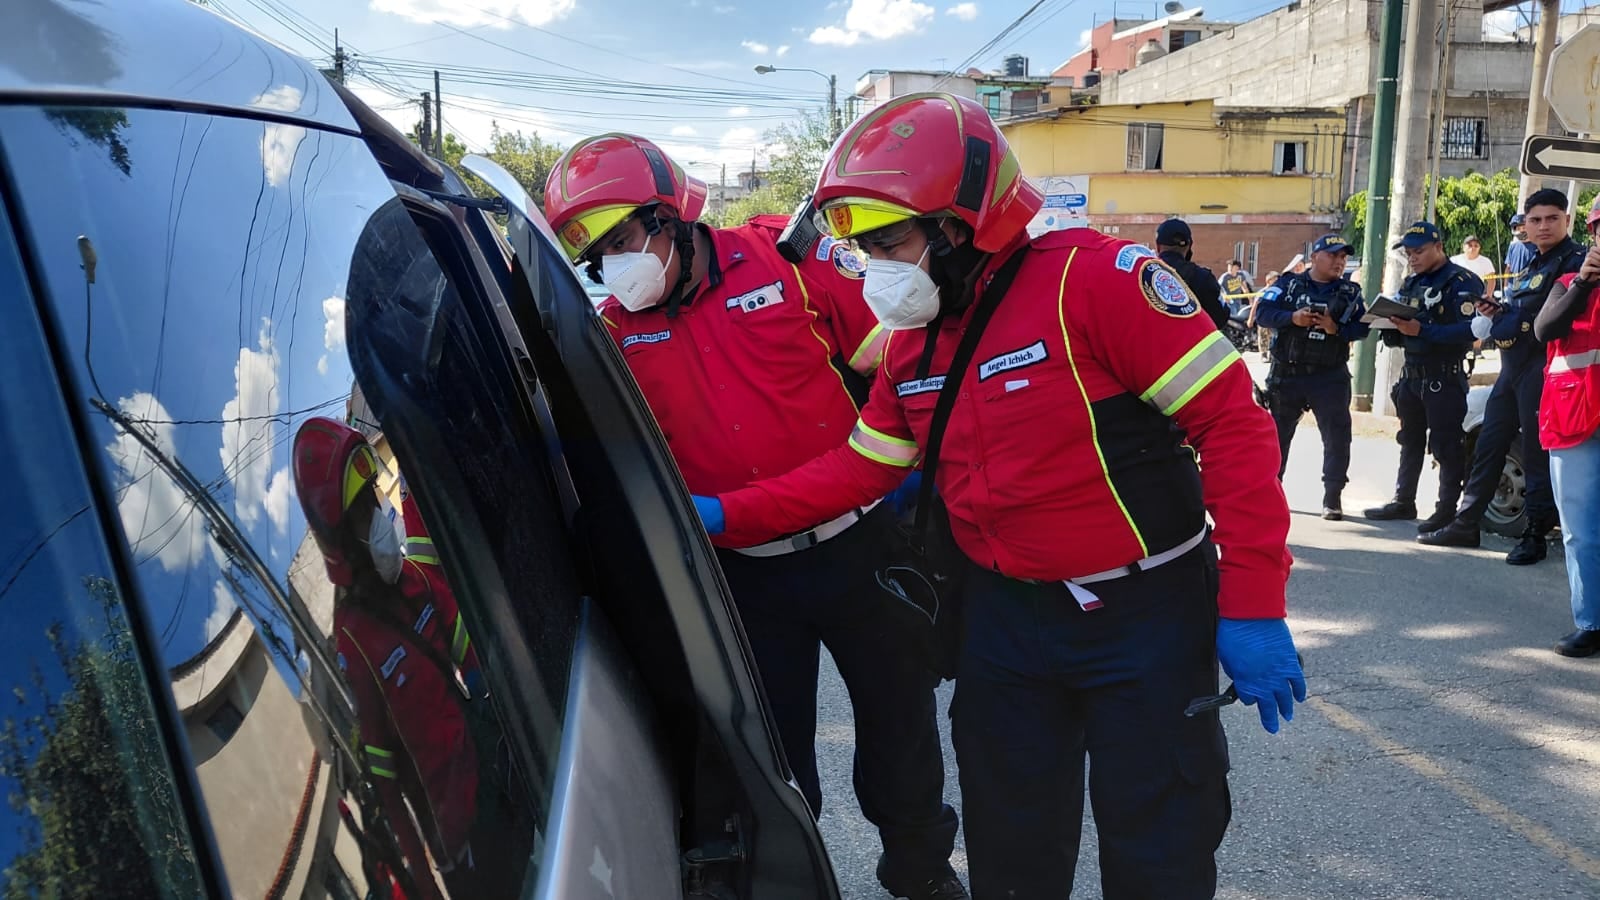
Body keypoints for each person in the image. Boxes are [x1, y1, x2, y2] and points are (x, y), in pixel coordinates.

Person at [689, 92, 1304, 899]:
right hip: (1006, 624)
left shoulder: (1095, 283)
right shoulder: (914, 345)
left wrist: (1253, 602)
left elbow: (1234, 427)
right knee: (1010, 849)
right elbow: (857, 472)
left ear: (959, 225)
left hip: (1145, 616)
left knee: (1160, 848)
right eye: (862, 247)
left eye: (887, 241)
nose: (873, 268)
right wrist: (722, 516)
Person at [541, 133, 965, 900]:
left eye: (625, 242)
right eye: (598, 258)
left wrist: (900, 454)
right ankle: (796, 883)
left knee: (900, 723)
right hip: (743, 573)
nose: (616, 269)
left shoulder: (783, 257)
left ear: (668, 217)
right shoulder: (613, 337)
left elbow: (894, 351)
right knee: (775, 757)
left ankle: (922, 871)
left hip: (855, 543)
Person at [292, 417, 527, 900]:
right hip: (459, 842)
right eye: (363, 512)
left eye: (375, 498)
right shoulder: (352, 641)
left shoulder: (416, 577)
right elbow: (384, 786)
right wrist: (425, 881)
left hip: (498, 779)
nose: (380, 516)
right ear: (339, 541)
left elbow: (477, 657)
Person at [1421, 189, 1586, 563]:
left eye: (1552, 218)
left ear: (1566, 221)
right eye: (1536, 220)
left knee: (1535, 453)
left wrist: (1513, 319)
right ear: (1525, 225)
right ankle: (1467, 522)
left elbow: (1550, 321)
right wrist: (1499, 312)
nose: (1543, 226)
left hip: (1546, 369)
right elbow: (1522, 311)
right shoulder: (1530, 264)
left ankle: (1535, 534)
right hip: (1513, 368)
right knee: (1488, 445)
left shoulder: (1575, 262)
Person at [1364, 222, 1483, 530]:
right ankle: (1404, 500)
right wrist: (1389, 328)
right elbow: (1403, 329)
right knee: (1410, 440)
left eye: (1419, 251)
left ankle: (1446, 509)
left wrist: (1423, 330)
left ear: (1439, 247)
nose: (1413, 258)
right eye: (1409, 252)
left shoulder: (1462, 281)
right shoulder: (1411, 283)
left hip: (1443, 376)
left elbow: (1470, 331)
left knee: (1446, 444)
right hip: (1411, 375)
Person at [1253, 234, 1371, 519]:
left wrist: (1336, 329)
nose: (1339, 262)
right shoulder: (1287, 284)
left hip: (1329, 376)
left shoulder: (1350, 291)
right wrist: (1293, 318)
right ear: (1315, 257)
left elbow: (1363, 327)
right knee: (1276, 439)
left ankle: (1332, 498)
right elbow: (1263, 313)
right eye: (1333, 255)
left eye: (1343, 257)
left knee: (1337, 438)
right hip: (1288, 374)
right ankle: (1271, 494)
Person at [1534, 196, 1600, 655]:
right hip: (1576, 423)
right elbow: (1546, 328)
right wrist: (1583, 281)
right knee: (1580, 530)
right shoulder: (1567, 284)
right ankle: (1591, 623)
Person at [1155, 218, 1229, 328]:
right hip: (1191, 343)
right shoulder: (1203, 278)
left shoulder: (1139, 275)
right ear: (1189, 247)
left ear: (1158, 246)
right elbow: (1221, 317)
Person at [1251, 268, 1281, 359]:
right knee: (1263, 335)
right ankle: (1263, 354)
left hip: (1273, 318)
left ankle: (1271, 353)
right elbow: (1255, 306)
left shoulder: (1278, 291)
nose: (1277, 282)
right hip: (1263, 318)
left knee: (1274, 335)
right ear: (1269, 281)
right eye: (1275, 280)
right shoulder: (1262, 292)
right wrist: (1251, 319)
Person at [1506, 213, 1536, 277]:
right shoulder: (1513, 246)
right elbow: (1508, 267)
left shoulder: (1537, 246)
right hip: (1513, 284)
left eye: (1524, 227)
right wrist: (1506, 286)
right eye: (1518, 228)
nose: (1521, 230)